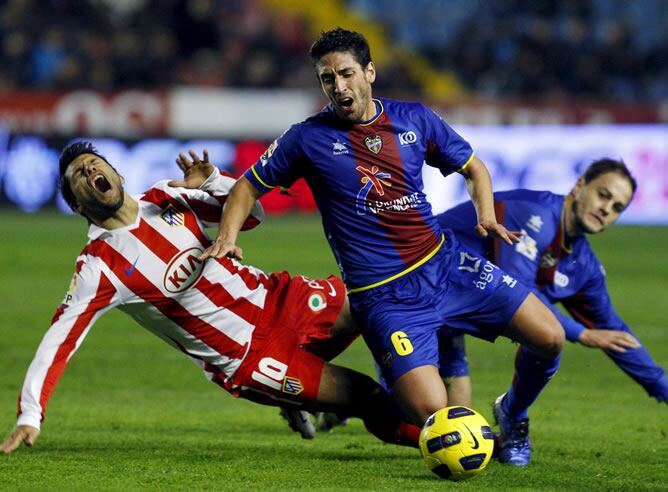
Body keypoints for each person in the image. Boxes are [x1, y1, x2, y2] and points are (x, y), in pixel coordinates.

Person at [199, 27, 564, 466]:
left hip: (446, 266)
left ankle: (512, 414)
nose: (339, 87)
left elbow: (475, 169)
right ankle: (372, 385)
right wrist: (226, 239)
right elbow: (245, 188)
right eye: (327, 79)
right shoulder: (306, 138)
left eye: (347, 74)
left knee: (550, 338)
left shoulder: (415, 119)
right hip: (385, 298)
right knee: (434, 416)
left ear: (369, 72)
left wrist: (485, 214)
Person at [0, 141, 422, 454]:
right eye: (80, 176)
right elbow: (60, 338)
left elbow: (251, 217)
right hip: (250, 357)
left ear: (118, 174)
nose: (91, 172)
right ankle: (439, 439)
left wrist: (213, 181)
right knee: (366, 396)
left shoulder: (167, 197)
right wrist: (29, 414)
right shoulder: (99, 266)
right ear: (77, 205)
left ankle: (411, 400)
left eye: (95, 164)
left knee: (378, 307)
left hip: (279, 299)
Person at [434, 158, 667, 406]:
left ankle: (512, 417)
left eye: (617, 207)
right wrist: (581, 333)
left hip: (451, 316)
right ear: (579, 186)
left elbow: (613, 331)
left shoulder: (583, 266)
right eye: (603, 195)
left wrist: (660, 385)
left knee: (456, 427)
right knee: (546, 335)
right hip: (413, 290)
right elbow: (518, 289)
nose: (606, 208)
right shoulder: (534, 213)